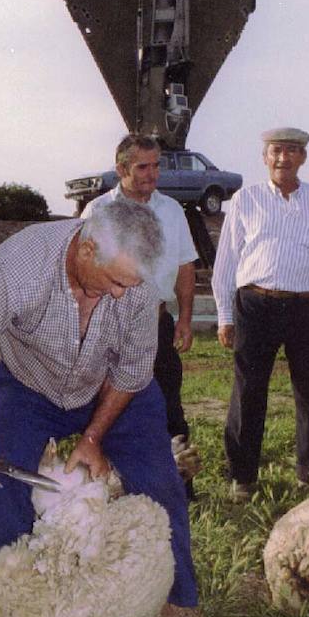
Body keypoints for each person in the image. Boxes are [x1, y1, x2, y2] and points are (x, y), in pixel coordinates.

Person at [0, 197, 227, 617]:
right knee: (9, 487)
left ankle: (179, 602)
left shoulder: (137, 287)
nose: (124, 295)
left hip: (111, 388)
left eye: (132, 285)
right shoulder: (18, 268)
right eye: (115, 282)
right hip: (31, 385)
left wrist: (93, 437)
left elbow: (131, 373)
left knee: (162, 484)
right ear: (87, 250)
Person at [212, 127, 309, 502]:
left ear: (303, 157)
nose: (283, 158)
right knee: (249, 391)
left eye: (291, 151)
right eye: (276, 151)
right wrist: (225, 316)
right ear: (264, 157)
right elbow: (226, 263)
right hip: (256, 305)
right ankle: (242, 478)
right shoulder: (245, 200)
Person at [82, 134, 200, 494]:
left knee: (167, 400)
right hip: (108, 321)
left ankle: (180, 483)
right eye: (142, 166)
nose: (152, 174)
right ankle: (106, 483)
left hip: (155, 321)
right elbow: (82, 266)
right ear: (121, 169)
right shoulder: (97, 211)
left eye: (156, 165)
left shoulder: (172, 211)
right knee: (105, 403)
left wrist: (183, 318)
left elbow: (185, 268)